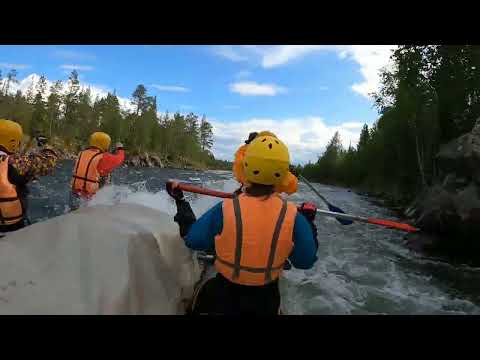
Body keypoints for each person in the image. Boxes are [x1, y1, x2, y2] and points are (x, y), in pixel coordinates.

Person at [167, 133, 319, 315]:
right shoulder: (294, 216)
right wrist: (309, 222)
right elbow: (305, 261)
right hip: (265, 303)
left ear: (246, 167)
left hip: (223, 298)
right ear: (284, 173)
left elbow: (193, 240)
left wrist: (180, 200)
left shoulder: (226, 208)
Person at [0, 119, 59, 233]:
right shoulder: (16, 163)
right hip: (10, 231)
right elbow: (49, 161)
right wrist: (44, 144)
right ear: (12, 142)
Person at [233, 130, 298, 195]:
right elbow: (290, 186)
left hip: (249, 186)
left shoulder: (243, 151)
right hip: (267, 189)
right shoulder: (267, 151)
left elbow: (238, 170)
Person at [70, 132, 125, 207]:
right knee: (106, 175)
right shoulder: (103, 157)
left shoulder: (81, 153)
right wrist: (120, 148)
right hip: (91, 196)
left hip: (75, 192)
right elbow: (119, 159)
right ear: (105, 144)